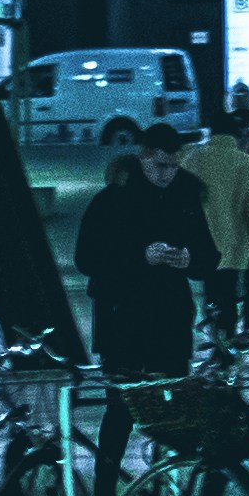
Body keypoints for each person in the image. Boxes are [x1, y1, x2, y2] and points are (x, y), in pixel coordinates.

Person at [71, 127, 209, 385]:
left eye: (173, 166)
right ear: (143, 156)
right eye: (160, 165)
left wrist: (189, 259)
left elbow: (208, 254)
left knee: (170, 408)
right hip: (125, 319)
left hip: (164, 320)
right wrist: (141, 258)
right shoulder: (111, 200)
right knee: (125, 409)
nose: (166, 174)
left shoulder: (184, 200)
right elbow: (86, 258)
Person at [178, 107, 249, 354]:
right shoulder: (246, 162)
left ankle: (216, 336)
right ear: (235, 135)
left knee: (211, 291)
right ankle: (227, 341)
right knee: (229, 291)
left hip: (202, 240)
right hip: (235, 241)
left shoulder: (195, 158)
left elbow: (183, 196)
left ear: (211, 132)